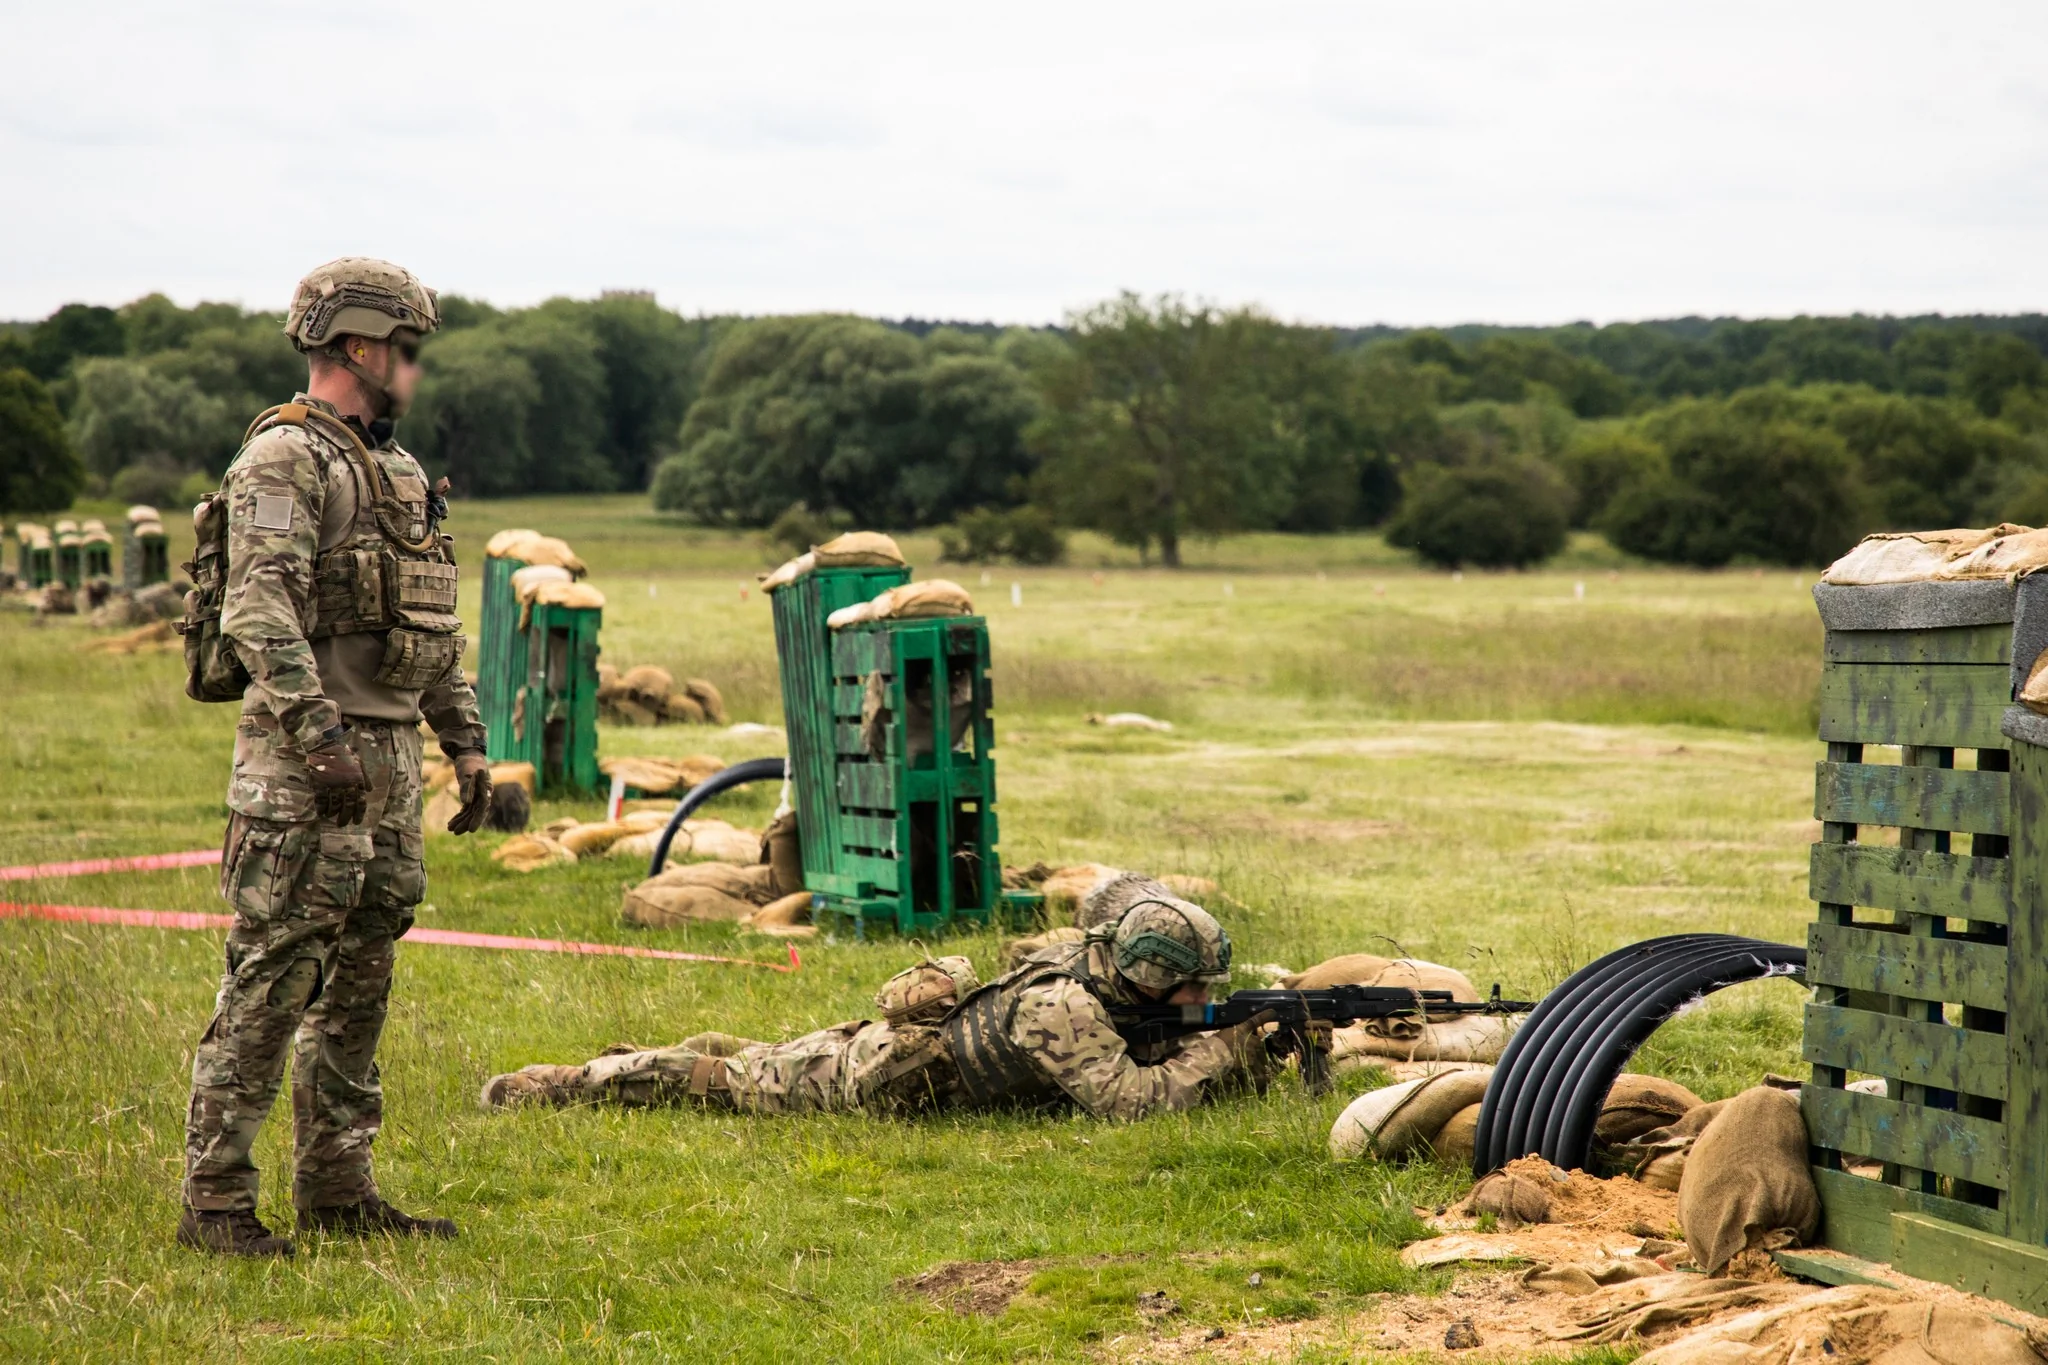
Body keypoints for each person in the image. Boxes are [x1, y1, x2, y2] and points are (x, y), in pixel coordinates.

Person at [178, 258, 492, 1258]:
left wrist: (465, 741)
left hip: (391, 764)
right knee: (274, 974)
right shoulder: (283, 461)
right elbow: (256, 607)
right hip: (305, 768)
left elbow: (427, 624)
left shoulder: (395, 472)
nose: (414, 369)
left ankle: (338, 1186)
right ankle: (217, 1203)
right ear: (359, 345)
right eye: (407, 349)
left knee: (362, 975)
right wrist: (317, 735)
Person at [479, 895, 1272, 1120]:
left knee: (752, 1056)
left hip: (899, 1051)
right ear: (1147, 972)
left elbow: (1148, 1046)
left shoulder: (1106, 977)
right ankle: (565, 1084)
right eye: (1193, 986)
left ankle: (665, 1052)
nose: (1201, 1000)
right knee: (720, 1082)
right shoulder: (1065, 1005)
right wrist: (1224, 1044)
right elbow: (1130, 1102)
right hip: (880, 1078)